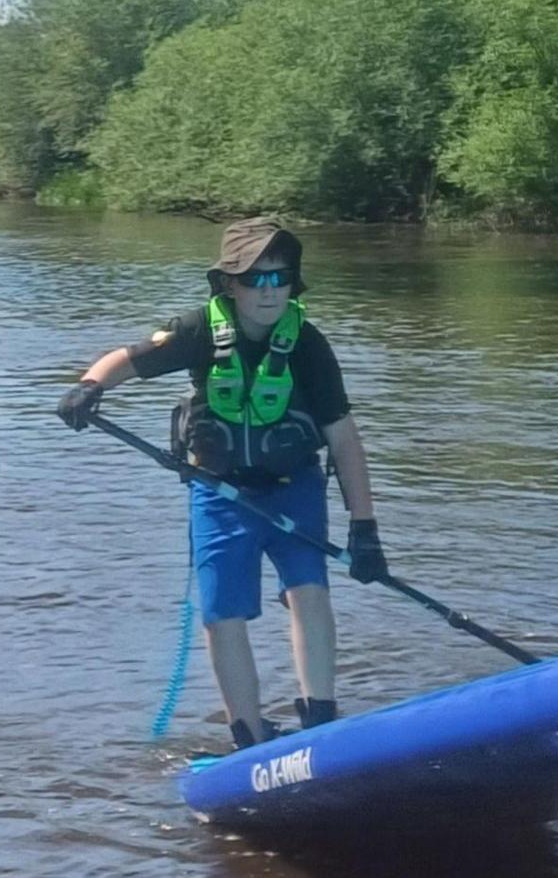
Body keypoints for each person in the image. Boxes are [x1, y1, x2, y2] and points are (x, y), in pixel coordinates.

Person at [58, 217, 387, 752]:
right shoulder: (196, 331)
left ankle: (321, 720)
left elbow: (345, 440)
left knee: (308, 590)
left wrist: (365, 529)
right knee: (222, 612)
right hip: (219, 493)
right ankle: (249, 736)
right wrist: (89, 387)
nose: (270, 291)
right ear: (229, 285)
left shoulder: (308, 345)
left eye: (280, 279)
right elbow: (126, 359)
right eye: (256, 279)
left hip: (294, 487)